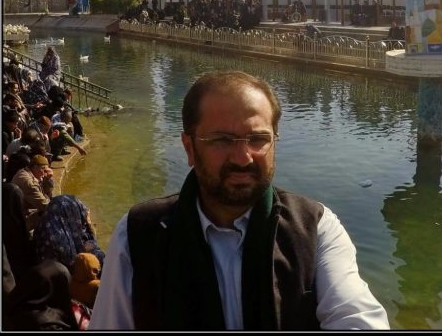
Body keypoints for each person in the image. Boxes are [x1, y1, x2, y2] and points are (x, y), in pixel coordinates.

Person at [90, 70, 389, 330]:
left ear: (275, 141)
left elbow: (357, 320)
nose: (243, 157)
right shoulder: (139, 235)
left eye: (258, 139)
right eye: (222, 140)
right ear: (189, 147)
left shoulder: (314, 227)